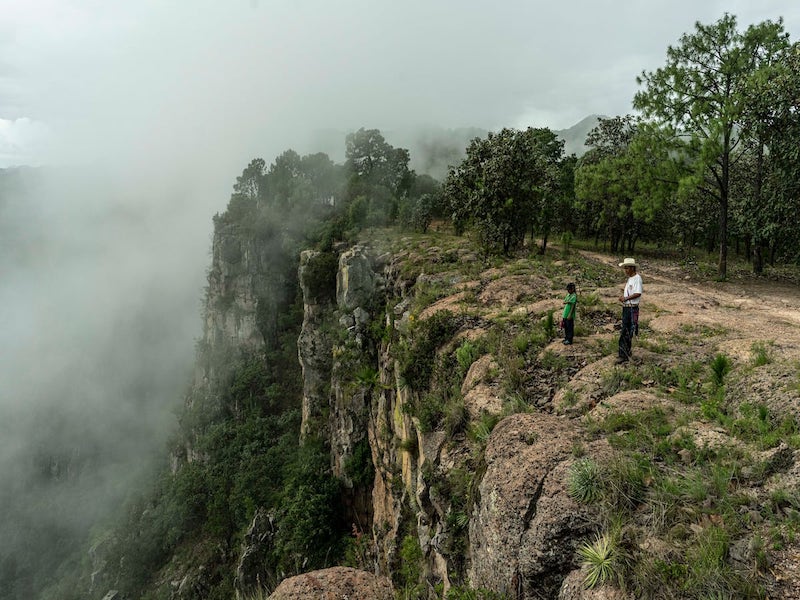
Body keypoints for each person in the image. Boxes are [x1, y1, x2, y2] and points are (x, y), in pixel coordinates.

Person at [616, 257, 642, 364]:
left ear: (632, 268)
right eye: (625, 268)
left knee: (626, 331)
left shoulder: (637, 278)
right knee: (626, 330)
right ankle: (626, 352)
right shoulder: (630, 279)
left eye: (627, 268)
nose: (625, 270)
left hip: (631, 308)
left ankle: (623, 355)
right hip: (627, 307)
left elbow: (638, 293)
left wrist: (626, 298)